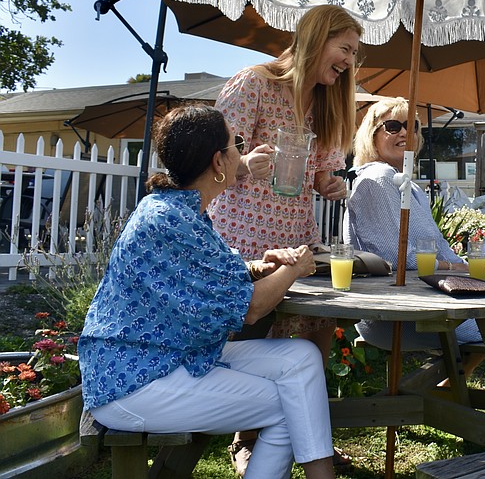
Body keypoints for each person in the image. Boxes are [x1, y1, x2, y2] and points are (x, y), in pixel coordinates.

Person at [78, 105, 334, 479]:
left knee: (301, 357)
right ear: (218, 161)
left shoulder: (176, 209)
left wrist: (260, 265)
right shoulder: (173, 219)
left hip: (166, 355)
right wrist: (294, 268)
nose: (241, 152)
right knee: (288, 406)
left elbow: (209, 272)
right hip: (134, 381)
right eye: (236, 144)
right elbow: (252, 308)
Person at [207, 5, 361, 472]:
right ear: (317, 38)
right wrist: (241, 164)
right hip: (243, 235)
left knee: (313, 329)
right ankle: (246, 436)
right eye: (345, 49)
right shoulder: (253, 83)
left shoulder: (326, 102)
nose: (350, 61)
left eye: (354, 54)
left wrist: (329, 184)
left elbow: (321, 173)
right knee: (250, 335)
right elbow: (210, 157)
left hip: (296, 236)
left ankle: (305, 431)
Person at [342, 98, 483, 350]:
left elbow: (439, 245)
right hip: (394, 311)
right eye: (393, 126)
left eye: (412, 127)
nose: (405, 133)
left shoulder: (411, 187)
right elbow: (393, 257)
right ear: (371, 136)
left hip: (427, 299)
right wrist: (453, 267)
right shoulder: (377, 178)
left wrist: (466, 268)